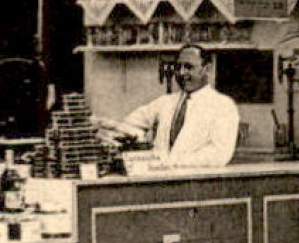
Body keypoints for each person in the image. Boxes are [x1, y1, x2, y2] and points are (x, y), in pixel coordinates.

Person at [97, 43, 239, 168]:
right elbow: (129, 123)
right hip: (160, 179)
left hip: (195, 183)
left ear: (206, 69)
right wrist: (109, 125)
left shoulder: (223, 106)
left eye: (189, 67)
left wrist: (171, 162)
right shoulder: (166, 102)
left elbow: (220, 155)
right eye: (178, 67)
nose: (182, 73)